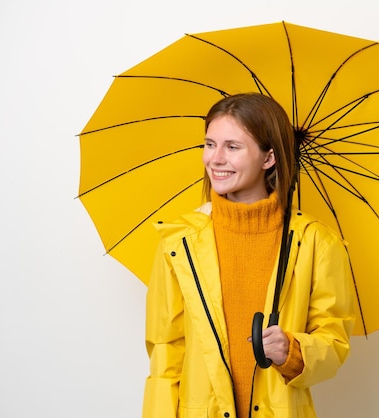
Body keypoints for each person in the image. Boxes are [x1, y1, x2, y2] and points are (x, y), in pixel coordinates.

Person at [142, 93, 355, 417]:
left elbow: (334, 340)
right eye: (210, 144)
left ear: (268, 157)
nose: (215, 158)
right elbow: (166, 352)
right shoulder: (179, 243)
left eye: (232, 146)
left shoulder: (317, 243)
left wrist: (294, 352)